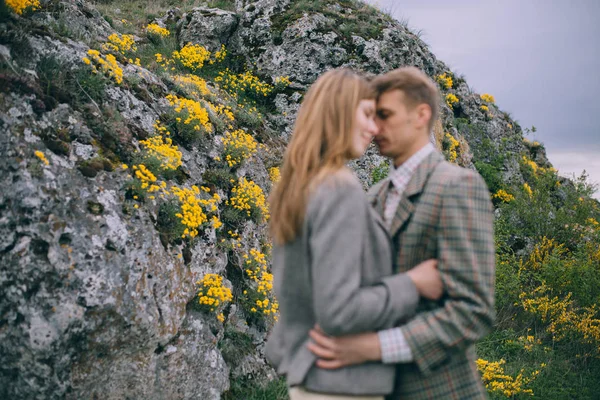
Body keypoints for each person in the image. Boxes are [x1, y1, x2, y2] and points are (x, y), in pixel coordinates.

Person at [308, 67, 496, 399]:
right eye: (372, 115)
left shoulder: (457, 185)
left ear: (421, 115)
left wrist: (374, 347)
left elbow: (473, 311)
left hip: (440, 391)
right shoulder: (375, 194)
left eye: (385, 115)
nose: (375, 127)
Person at [266, 68, 444, 400]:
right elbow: (339, 310)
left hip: (312, 380)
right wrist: (413, 284)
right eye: (366, 115)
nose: (374, 128)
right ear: (338, 112)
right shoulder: (338, 188)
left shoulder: (300, 185)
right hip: (341, 386)